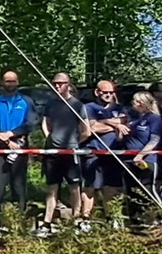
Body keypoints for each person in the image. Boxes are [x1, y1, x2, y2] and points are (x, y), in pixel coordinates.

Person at [0, 71, 36, 236]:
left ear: (18, 82)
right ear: (2, 83)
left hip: (19, 146)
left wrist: (12, 134)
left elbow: (31, 123)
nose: (10, 84)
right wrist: (5, 139)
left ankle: (18, 224)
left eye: (13, 81)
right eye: (7, 81)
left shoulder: (26, 101)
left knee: (18, 186)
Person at [37, 73, 89, 237]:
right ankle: (47, 223)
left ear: (68, 84)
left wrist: (75, 143)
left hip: (70, 151)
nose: (58, 86)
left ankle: (76, 220)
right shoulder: (51, 104)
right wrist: (48, 137)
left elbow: (86, 130)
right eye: (55, 84)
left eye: (61, 83)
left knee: (74, 187)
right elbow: (45, 123)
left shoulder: (77, 104)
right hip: (53, 152)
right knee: (52, 188)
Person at [81, 80, 129, 230]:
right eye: (105, 92)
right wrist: (115, 125)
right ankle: (85, 220)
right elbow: (92, 127)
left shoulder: (120, 108)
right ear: (97, 92)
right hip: (93, 151)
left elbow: (125, 124)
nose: (108, 95)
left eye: (111, 93)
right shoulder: (89, 107)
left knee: (112, 187)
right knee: (90, 187)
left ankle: (112, 217)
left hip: (113, 152)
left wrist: (109, 123)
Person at [122, 92, 161, 226]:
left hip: (146, 160)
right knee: (132, 191)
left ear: (143, 103)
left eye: (136, 101)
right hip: (129, 160)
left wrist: (141, 155)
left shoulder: (154, 118)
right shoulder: (134, 119)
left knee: (148, 189)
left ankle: (157, 215)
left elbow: (155, 139)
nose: (133, 103)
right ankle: (136, 220)